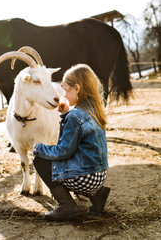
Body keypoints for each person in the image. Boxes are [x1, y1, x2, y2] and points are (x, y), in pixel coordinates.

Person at [33, 64, 110, 221]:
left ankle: (67, 205)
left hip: (85, 178)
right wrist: (65, 115)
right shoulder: (95, 108)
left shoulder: (75, 117)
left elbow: (63, 151)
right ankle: (98, 195)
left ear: (77, 88)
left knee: (40, 160)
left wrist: (39, 148)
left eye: (66, 90)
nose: (64, 95)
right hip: (99, 175)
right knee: (70, 157)